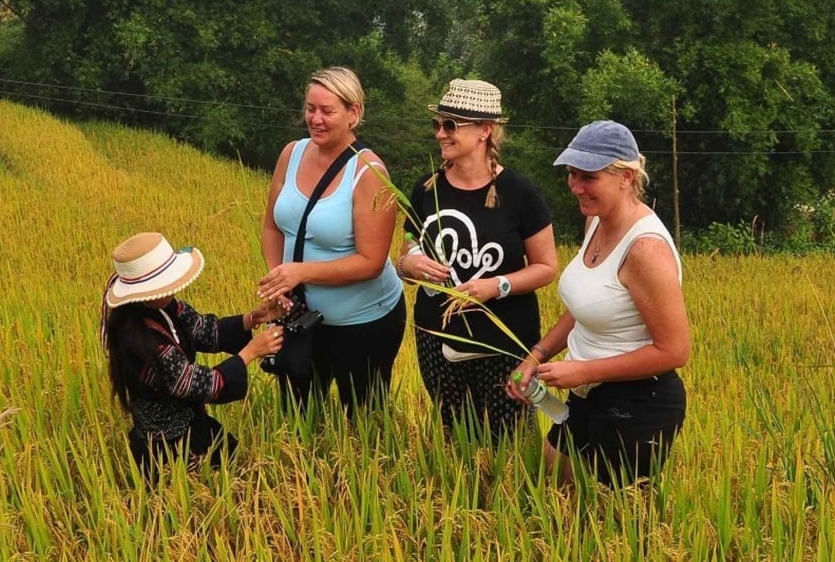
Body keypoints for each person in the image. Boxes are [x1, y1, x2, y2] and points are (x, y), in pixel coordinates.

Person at [507, 120, 691, 487]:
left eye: (587, 177)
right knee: (553, 483)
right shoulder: (597, 222)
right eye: (572, 174)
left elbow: (675, 351)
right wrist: (535, 356)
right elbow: (584, 307)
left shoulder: (645, 250)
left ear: (625, 176)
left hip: (637, 404)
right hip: (586, 393)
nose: (576, 187)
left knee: (608, 524)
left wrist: (584, 371)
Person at [398, 79, 558, 440]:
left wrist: (497, 285)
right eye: (437, 124)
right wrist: (409, 265)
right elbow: (407, 246)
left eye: (451, 125)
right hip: (436, 337)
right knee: (454, 436)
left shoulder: (520, 193)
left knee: (511, 439)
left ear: (486, 130)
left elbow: (546, 267)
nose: (441, 134)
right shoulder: (426, 189)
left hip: (502, 341)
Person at [259, 67, 407, 418]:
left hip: (363, 324)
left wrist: (300, 272)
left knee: (362, 420)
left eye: (328, 111)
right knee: (296, 416)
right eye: (311, 108)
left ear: (354, 113)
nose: (316, 119)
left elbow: (371, 262)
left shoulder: (369, 173)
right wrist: (278, 279)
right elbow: (272, 227)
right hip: (300, 319)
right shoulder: (290, 154)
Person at [101, 231, 285, 481]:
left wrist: (251, 319)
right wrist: (251, 352)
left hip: (189, 423)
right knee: (186, 493)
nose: (174, 287)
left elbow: (205, 330)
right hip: (166, 444)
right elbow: (199, 385)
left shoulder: (165, 306)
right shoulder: (139, 341)